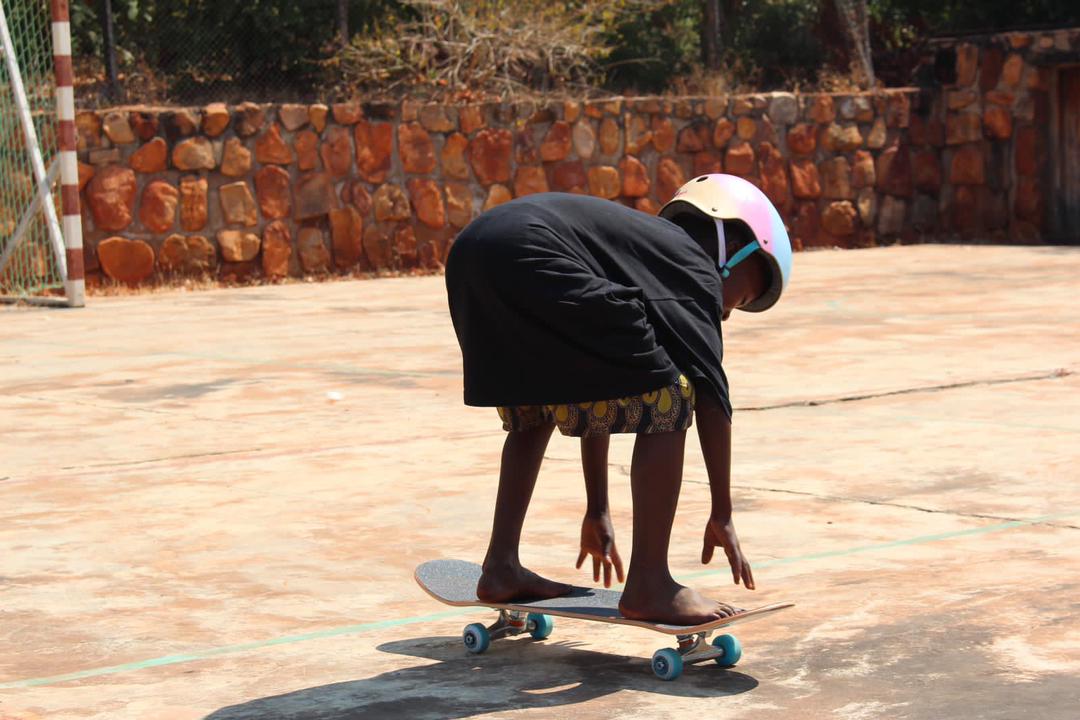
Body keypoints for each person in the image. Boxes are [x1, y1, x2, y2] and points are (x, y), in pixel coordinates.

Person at [444, 174, 792, 625]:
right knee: (674, 395)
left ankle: (500, 567)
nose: (725, 312)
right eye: (742, 295)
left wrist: (598, 507)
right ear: (733, 249)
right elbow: (711, 396)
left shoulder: (640, 254)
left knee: (537, 407)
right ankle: (651, 583)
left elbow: (598, 381)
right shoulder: (694, 266)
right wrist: (722, 512)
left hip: (475, 252)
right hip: (530, 250)